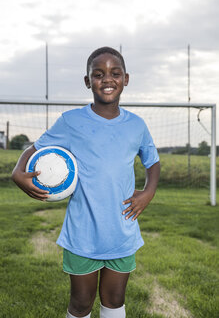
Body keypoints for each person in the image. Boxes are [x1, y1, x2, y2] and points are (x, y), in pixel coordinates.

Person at [12, 47, 160, 318]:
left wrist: (148, 192)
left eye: (115, 73)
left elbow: (153, 161)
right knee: (81, 303)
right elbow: (34, 149)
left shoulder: (136, 125)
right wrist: (17, 172)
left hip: (121, 230)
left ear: (126, 78)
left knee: (114, 301)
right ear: (87, 81)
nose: (107, 79)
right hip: (83, 233)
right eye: (98, 74)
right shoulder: (71, 121)